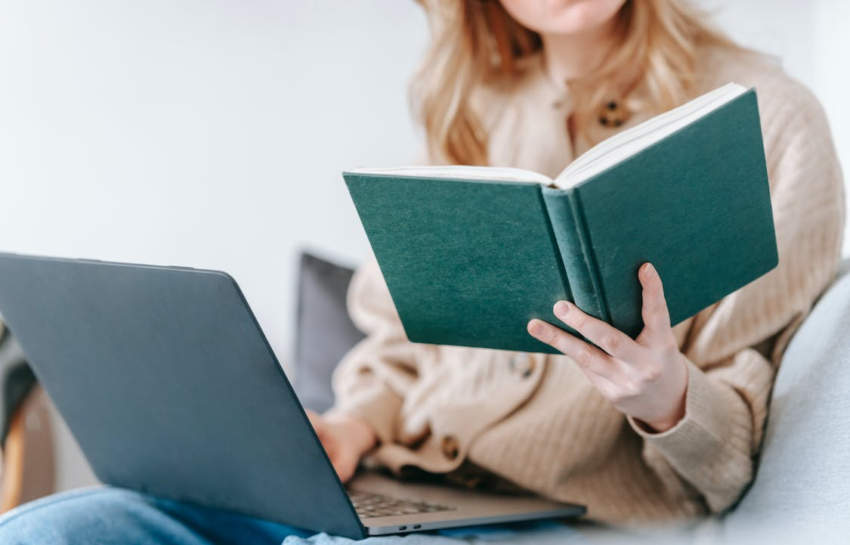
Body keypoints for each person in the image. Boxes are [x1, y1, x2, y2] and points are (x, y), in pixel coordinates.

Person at [0, 0, 844, 542]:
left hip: (560, 514)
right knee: (51, 533)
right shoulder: (473, 104)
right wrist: (351, 424)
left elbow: (733, 454)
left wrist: (667, 399)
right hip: (399, 486)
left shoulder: (768, 125)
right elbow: (398, 344)